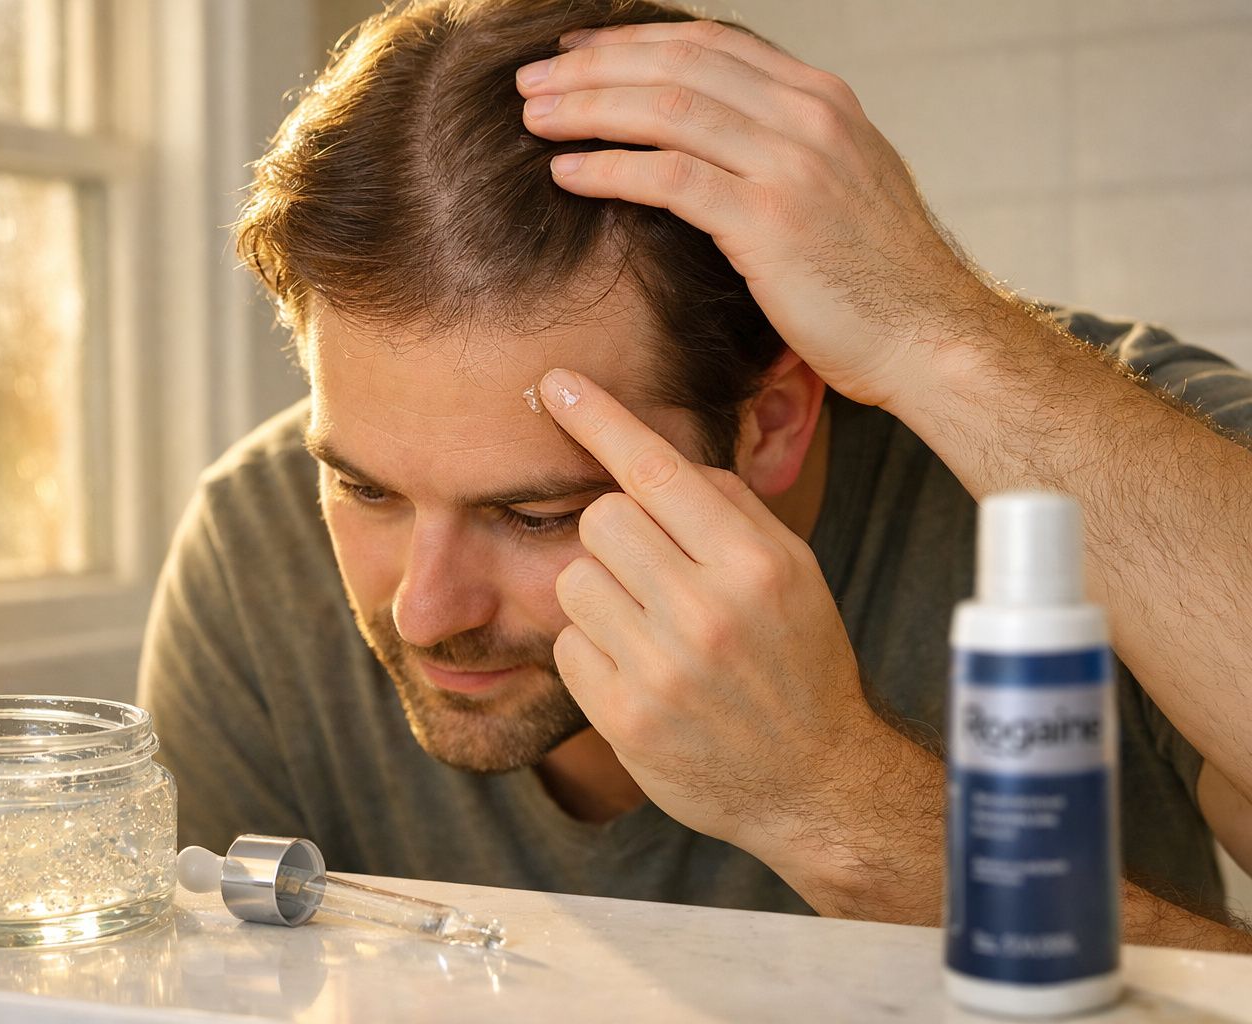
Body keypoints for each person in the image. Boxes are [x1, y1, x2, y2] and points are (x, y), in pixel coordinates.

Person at [137, 0, 1252, 951]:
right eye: (364, 489)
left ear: (771, 420)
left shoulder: (1120, 447)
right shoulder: (250, 552)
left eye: (535, 512)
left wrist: (831, 800)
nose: (426, 612)